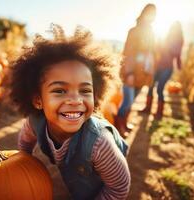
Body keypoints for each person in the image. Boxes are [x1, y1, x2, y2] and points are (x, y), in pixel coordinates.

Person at [8, 24, 130, 200]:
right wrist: (22, 161)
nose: (75, 100)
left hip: (101, 173)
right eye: (60, 90)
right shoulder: (34, 122)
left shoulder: (100, 143)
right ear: (38, 100)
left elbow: (118, 188)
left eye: (85, 91)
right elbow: (25, 142)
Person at [115, 3, 156, 137]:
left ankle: (125, 123)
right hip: (131, 72)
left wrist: (149, 71)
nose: (152, 16)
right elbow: (128, 53)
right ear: (143, 13)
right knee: (127, 101)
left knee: (132, 102)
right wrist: (129, 73)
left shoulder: (151, 32)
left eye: (154, 14)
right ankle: (117, 127)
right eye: (150, 13)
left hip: (142, 73)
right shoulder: (134, 31)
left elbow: (150, 54)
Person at [141, 21, 184, 119]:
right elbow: (156, 48)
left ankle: (159, 112)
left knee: (160, 88)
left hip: (168, 68)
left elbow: (177, 54)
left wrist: (179, 66)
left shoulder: (179, 40)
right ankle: (147, 108)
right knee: (151, 85)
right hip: (158, 66)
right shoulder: (165, 36)